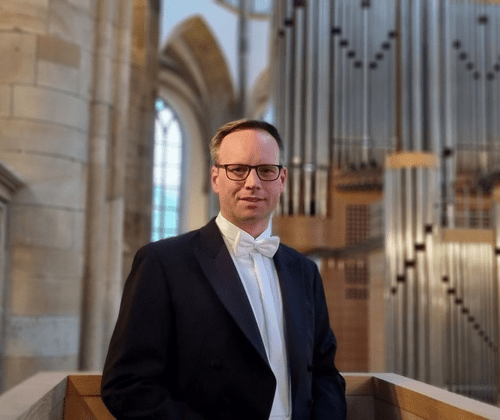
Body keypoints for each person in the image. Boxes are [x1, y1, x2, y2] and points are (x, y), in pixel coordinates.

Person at [101, 119, 347, 420]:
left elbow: (325, 373)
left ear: (282, 180)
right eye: (238, 169)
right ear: (216, 178)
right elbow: (126, 385)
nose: (252, 183)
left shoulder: (304, 271)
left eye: (266, 170)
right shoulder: (162, 262)